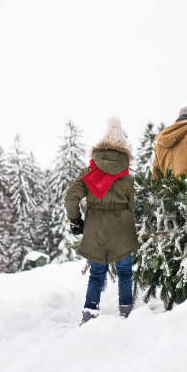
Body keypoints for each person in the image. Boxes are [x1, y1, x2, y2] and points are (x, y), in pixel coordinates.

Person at [64, 116, 138, 325]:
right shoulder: (128, 178)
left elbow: (71, 197)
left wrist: (76, 221)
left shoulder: (88, 174)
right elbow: (131, 206)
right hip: (122, 229)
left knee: (97, 273)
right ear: (124, 152)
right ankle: (126, 310)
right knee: (124, 271)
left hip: (95, 229)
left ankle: (90, 313)